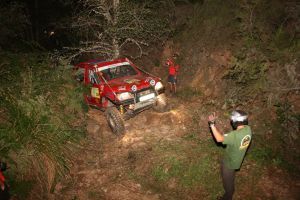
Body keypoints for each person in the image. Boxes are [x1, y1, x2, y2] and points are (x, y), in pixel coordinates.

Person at [208, 110, 252, 200]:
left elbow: (219, 139)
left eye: (232, 120)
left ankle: (227, 197)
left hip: (229, 163)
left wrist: (211, 124)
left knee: (228, 185)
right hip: (237, 159)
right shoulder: (248, 129)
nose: (231, 122)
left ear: (235, 121)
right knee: (229, 177)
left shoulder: (235, 135)